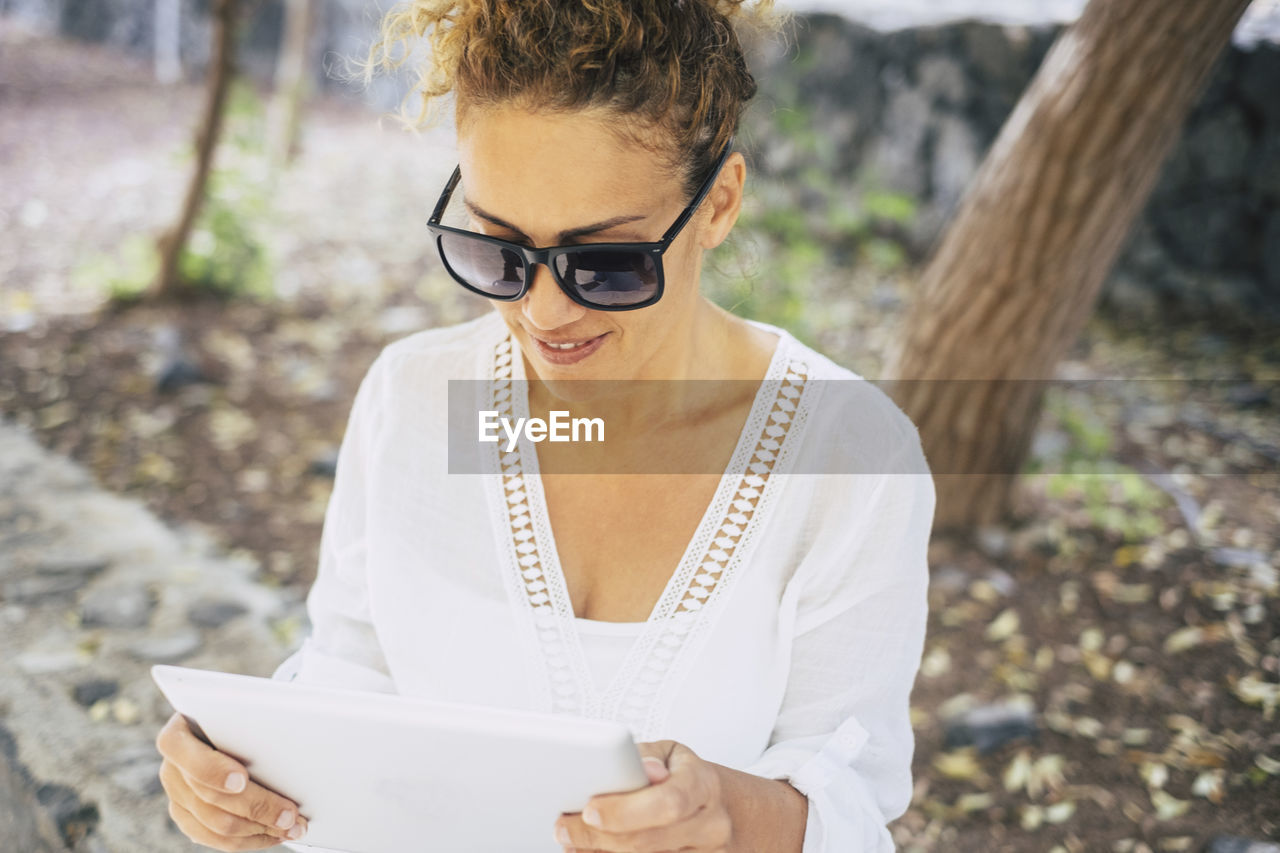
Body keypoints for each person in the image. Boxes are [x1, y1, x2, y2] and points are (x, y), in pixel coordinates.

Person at [154, 1, 937, 851]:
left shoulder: (849, 457)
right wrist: (242, 782)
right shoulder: (417, 400)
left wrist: (730, 814)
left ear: (718, 203)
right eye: (499, 250)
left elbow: (849, 800)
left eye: (604, 261)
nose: (541, 309)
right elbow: (352, 674)